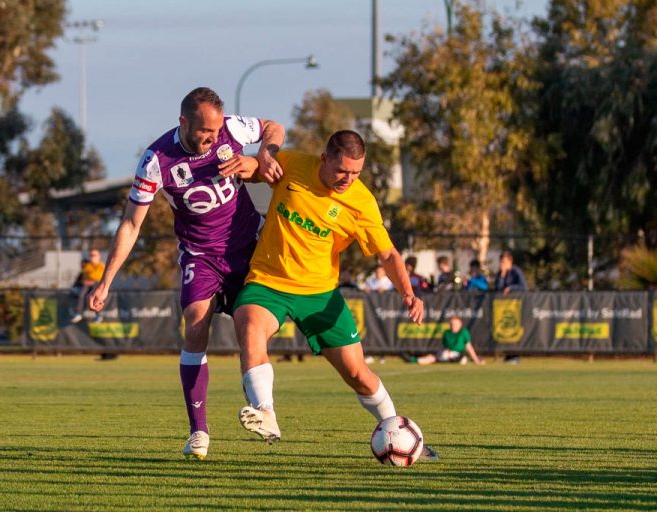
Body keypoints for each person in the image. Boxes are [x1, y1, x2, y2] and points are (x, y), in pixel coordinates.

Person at [88, 87, 285, 460]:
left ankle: (265, 412)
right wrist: (106, 280)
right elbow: (131, 225)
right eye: (203, 132)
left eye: (215, 132)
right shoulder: (157, 159)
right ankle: (198, 433)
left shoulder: (231, 130)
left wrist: (264, 153)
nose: (212, 138)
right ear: (183, 122)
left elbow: (274, 126)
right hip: (200, 256)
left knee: (252, 324)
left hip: (249, 248)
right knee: (194, 325)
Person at [232, 130, 438, 461]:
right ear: (324, 158)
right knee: (248, 323)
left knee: (358, 374)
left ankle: (398, 431)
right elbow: (257, 168)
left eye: (356, 173)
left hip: (320, 294)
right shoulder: (293, 165)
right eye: (342, 171)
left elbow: (387, 255)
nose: (348, 179)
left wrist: (409, 293)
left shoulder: (361, 202)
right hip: (269, 281)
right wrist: (246, 161)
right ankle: (264, 411)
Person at [410, 316, 484, 365]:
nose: (453, 326)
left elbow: (469, 347)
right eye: (452, 324)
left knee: (462, 360)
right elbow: (443, 346)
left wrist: (476, 360)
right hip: (446, 354)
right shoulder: (447, 333)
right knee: (439, 356)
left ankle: (455, 359)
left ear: (460, 324)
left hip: (458, 355)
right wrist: (441, 353)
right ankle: (414, 360)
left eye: (455, 324)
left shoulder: (464, 332)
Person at [70, 249, 105, 324]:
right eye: (90, 255)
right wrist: (88, 280)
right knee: (81, 295)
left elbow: (97, 276)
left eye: (94, 255)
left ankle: (98, 315)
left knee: (96, 297)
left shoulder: (101, 265)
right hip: (86, 286)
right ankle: (78, 313)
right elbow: (85, 277)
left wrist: (92, 280)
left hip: (97, 286)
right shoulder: (88, 266)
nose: (92, 257)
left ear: (99, 256)